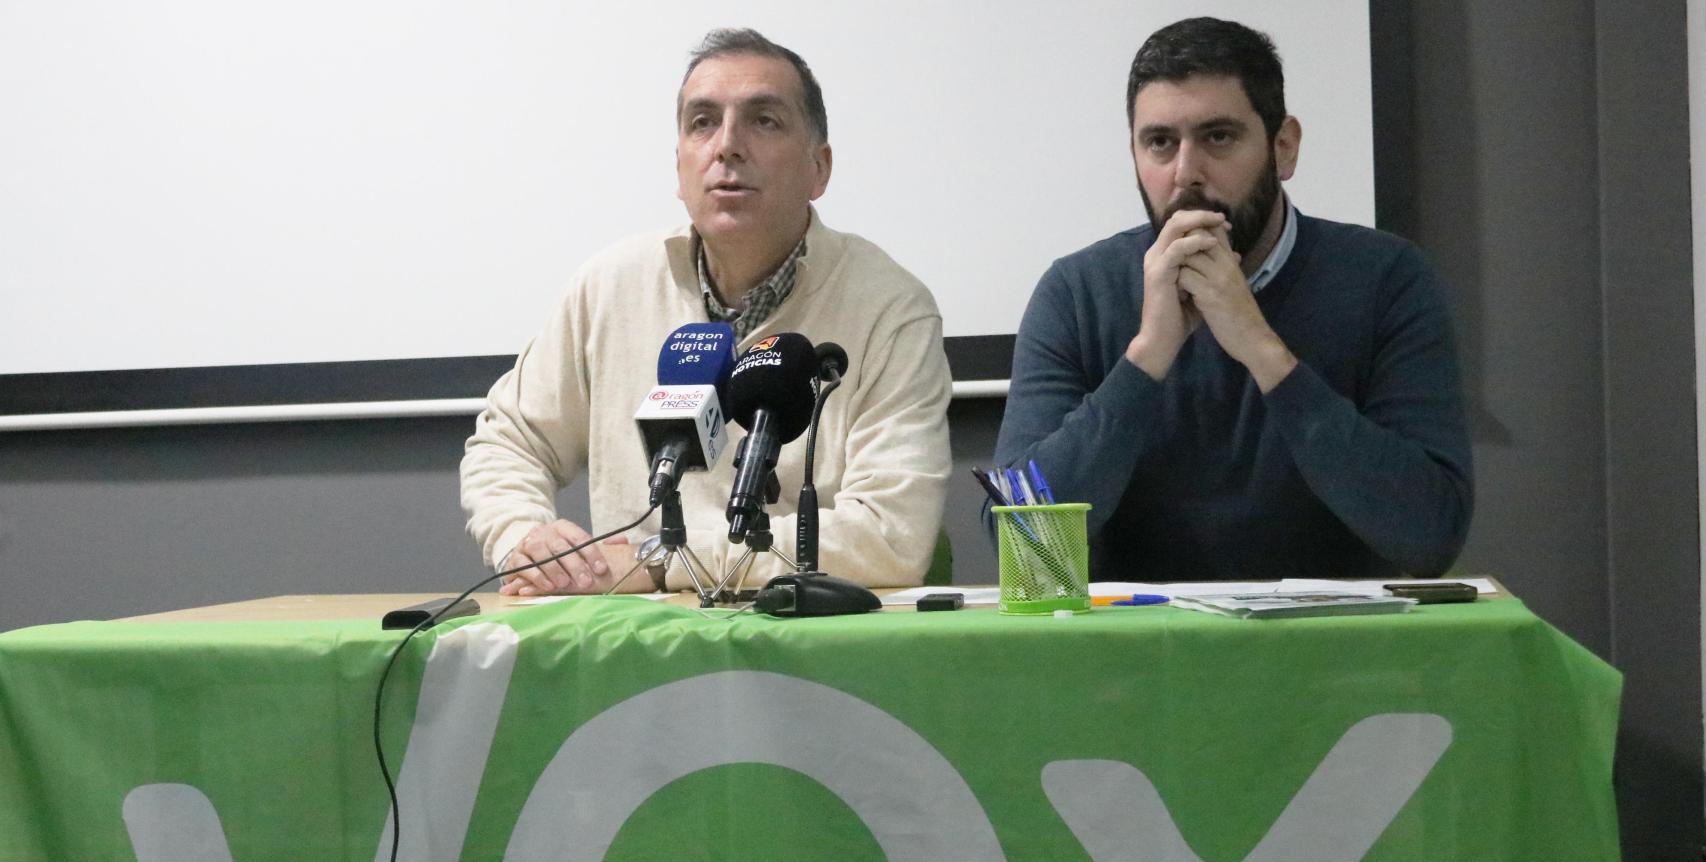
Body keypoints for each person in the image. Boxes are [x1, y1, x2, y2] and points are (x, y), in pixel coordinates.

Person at [462, 28, 951, 596]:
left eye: (764, 120)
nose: (727, 146)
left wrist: (658, 561)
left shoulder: (890, 308)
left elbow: (890, 536)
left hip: (804, 634)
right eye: (703, 122)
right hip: (637, 636)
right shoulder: (609, 287)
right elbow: (508, 443)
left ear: (819, 169)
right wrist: (525, 538)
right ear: (679, 168)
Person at [991, 17, 1472, 581]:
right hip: (1138, 634)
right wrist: (1145, 358)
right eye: (1160, 143)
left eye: (1218, 137)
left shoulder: (1388, 279)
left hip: (1337, 634)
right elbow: (1025, 552)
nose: (1186, 174)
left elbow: (1430, 536)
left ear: (1283, 147)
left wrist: (1264, 352)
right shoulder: (1075, 294)